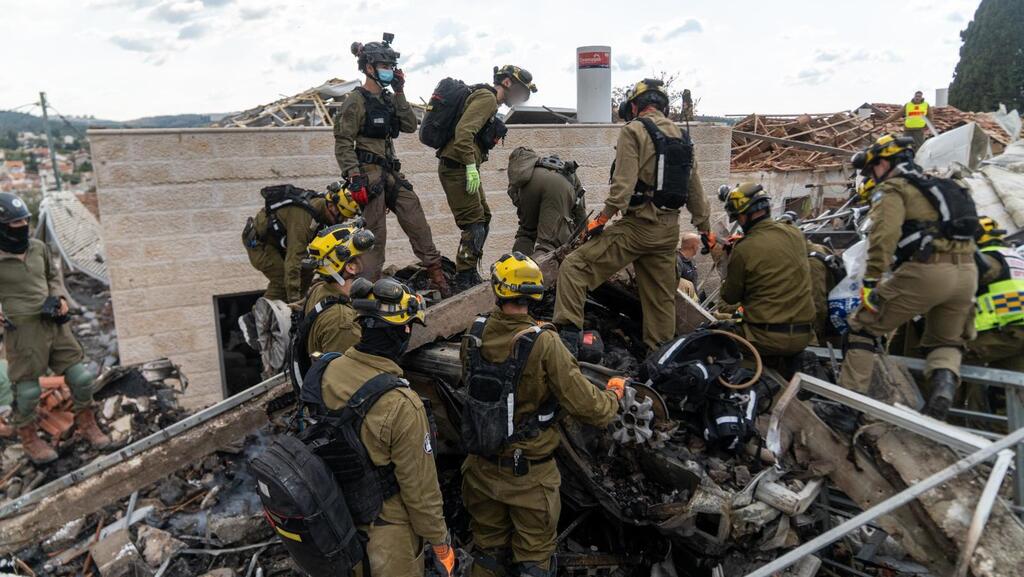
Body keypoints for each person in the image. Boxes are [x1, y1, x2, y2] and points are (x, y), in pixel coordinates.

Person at [460, 252, 622, 577]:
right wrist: (614, 396)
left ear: (498, 290)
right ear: (536, 294)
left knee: (487, 552)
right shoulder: (545, 343)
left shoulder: (474, 335)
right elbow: (588, 406)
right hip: (528, 478)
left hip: (479, 469)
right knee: (534, 559)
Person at [553, 78, 711, 353]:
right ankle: (659, 359)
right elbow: (696, 192)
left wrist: (600, 219)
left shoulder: (634, 130)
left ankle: (566, 343)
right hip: (667, 233)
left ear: (636, 106)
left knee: (574, 268)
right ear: (664, 107)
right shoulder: (684, 138)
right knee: (661, 302)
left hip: (637, 227)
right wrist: (705, 228)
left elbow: (622, 189)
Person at [318, 277, 455, 577]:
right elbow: (420, 491)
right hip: (386, 537)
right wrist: (440, 543)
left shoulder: (329, 371)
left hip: (337, 521)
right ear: (403, 331)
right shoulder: (402, 404)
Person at [841, 135, 977, 418]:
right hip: (967, 272)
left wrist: (871, 281)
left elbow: (883, 237)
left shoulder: (894, 189)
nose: (871, 176)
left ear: (884, 163)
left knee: (862, 327)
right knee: (946, 341)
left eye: (872, 169)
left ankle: (846, 409)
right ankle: (943, 388)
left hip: (927, 271)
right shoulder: (945, 185)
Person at [334, 34, 451, 297]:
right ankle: (365, 293)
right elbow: (343, 142)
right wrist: (354, 176)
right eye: (384, 66)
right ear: (368, 68)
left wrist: (399, 92)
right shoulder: (356, 100)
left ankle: (438, 277)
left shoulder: (389, 98)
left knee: (416, 218)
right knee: (374, 237)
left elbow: (409, 125)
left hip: (391, 172)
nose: (389, 71)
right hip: (369, 175)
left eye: (391, 67)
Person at [0, 192, 110, 464]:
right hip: (23, 333)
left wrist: (60, 299)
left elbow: (53, 278)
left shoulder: (38, 248)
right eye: (15, 224)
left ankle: (87, 425)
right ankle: (29, 439)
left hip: (54, 326)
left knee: (82, 378)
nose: (22, 227)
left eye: (25, 221)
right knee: (27, 393)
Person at [438, 65, 537, 290]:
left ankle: (470, 270)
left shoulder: (489, 101)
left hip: (462, 167)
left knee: (484, 217)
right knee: (474, 225)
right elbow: (464, 132)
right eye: (520, 90)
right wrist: (470, 166)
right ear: (508, 83)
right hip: (458, 168)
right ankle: (463, 278)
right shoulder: (487, 98)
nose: (521, 97)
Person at [717, 183, 816, 368]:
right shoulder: (795, 233)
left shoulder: (744, 248)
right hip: (804, 335)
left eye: (738, 217)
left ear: (746, 214)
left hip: (763, 337)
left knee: (711, 338)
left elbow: (729, 297)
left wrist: (728, 264)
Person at [242, 183, 357, 303]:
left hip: (280, 241)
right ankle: (258, 318)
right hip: (260, 243)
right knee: (282, 278)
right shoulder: (303, 220)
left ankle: (300, 308)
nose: (344, 221)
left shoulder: (323, 210)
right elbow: (294, 260)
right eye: (342, 217)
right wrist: (294, 300)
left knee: (308, 268)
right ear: (332, 206)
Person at [297, 223, 376, 362]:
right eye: (365, 256)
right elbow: (347, 377)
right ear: (351, 267)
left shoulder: (319, 289)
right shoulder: (343, 322)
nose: (371, 259)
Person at [966, 217, 1024, 373]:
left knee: (941, 359)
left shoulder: (988, 259)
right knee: (1007, 390)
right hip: (1015, 334)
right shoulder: (1016, 258)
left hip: (1003, 333)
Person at [506, 147, 586, 256]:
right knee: (549, 240)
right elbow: (580, 212)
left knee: (527, 233)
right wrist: (583, 232)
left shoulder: (529, 169)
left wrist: (525, 210)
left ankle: (517, 266)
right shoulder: (569, 175)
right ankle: (542, 270)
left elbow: (513, 192)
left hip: (530, 186)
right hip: (557, 187)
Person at [676, 232, 703, 300]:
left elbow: (693, 283)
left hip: (692, 301)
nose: (699, 247)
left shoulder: (691, 260)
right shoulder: (677, 261)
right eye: (698, 244)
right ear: (694, 246)